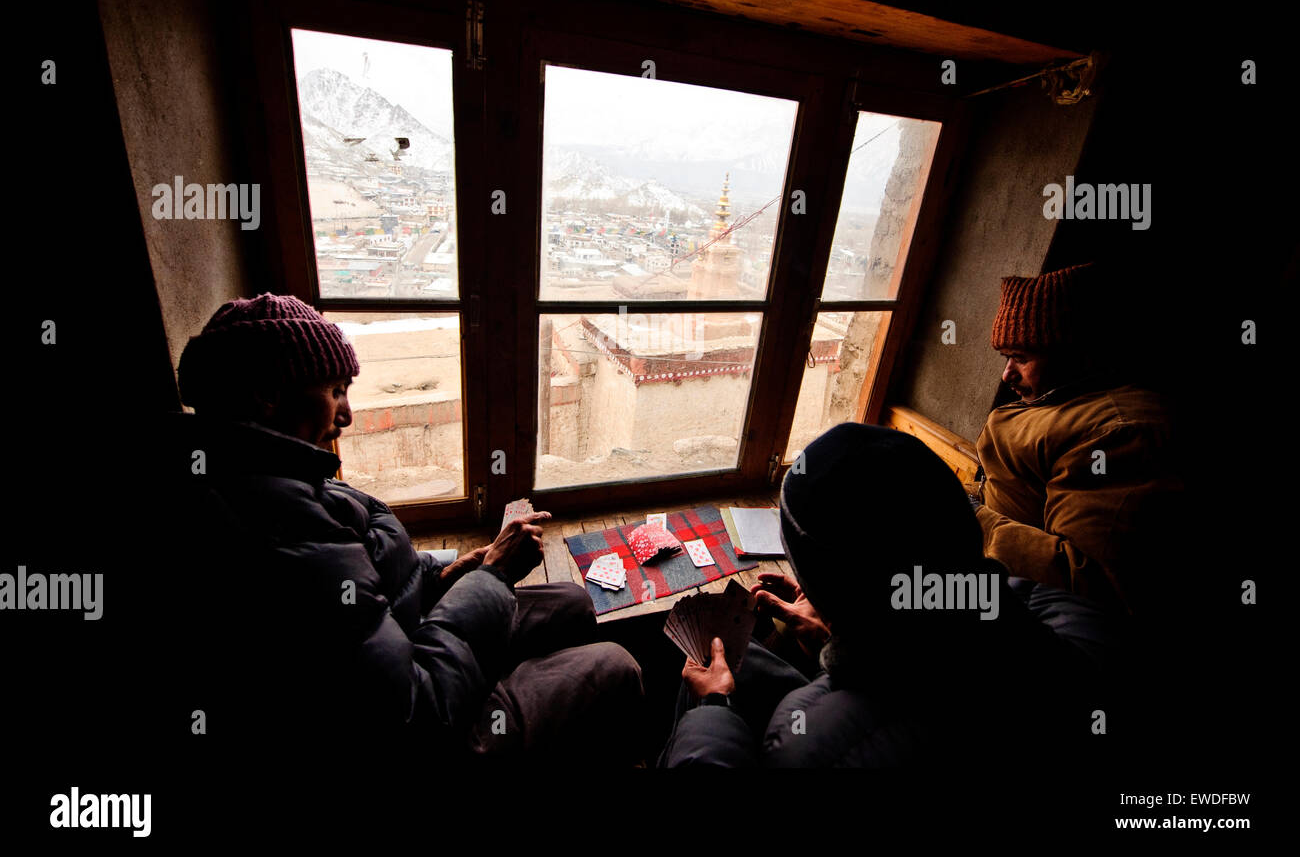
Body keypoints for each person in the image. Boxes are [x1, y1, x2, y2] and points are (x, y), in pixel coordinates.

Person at [161, 293, 643, 764]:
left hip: (406, 641)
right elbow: (418, 710)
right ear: (267, 395)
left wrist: (447, 574)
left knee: (574, 603)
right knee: (616, 665)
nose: (346, 415)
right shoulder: (271, 521)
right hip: (427, 725)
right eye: (334, 391)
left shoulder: (277, 476)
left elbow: (373, 591)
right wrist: (491, 578)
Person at [659, 423, 1117, 768]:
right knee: (743, 656)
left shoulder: (808, 744)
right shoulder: (1077, 618)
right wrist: (841, 629)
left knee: (704, 671)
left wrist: (713, 709)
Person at [973, 264, 1184, 613]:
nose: (1007, 374)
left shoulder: (1119, 435)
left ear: (1071, 353)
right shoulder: (1066, 402)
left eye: (1021, 358)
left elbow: (1088, 578)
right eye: (1006, 357)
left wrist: (970, 519)